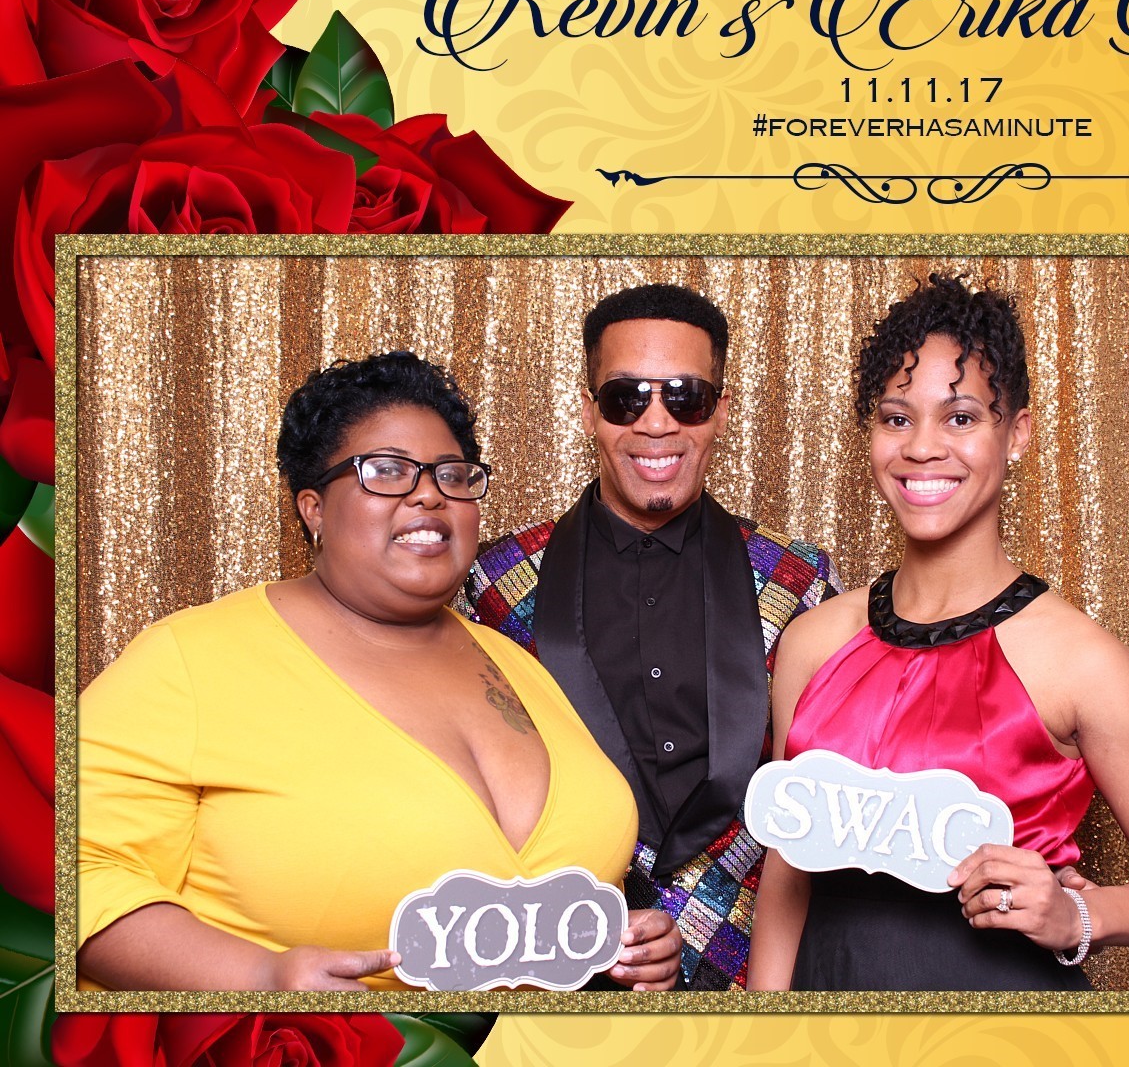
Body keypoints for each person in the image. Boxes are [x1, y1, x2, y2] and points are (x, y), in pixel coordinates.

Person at [77, 351, 680, 990]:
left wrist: (623, 945)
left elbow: (549, 890)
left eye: (452, 475)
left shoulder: (516, 663)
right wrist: (260, 976)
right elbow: (82, 873)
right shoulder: (187, 659)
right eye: (387, 471)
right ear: (313, 508)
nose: (429, 493)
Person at [747, 274, 1129, 991]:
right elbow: (786, 867)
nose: (922, 447)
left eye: (959, 418)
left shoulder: (1079, 660)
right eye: (896, 418)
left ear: (1016, 434)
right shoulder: (813, 642)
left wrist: (1081, 914)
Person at [462, 285, 840, 990]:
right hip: (567, 967)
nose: (657, 422)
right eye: (626, 398)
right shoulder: (495, 580)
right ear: (589, 412)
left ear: (720, 411)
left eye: (686, 397)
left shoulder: (799, 579)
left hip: (763, 971)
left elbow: (826, 800)